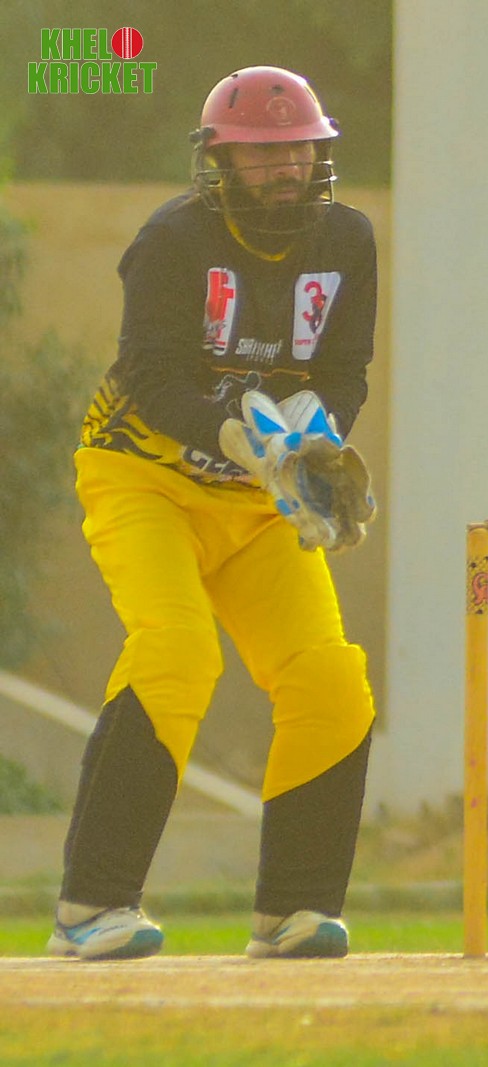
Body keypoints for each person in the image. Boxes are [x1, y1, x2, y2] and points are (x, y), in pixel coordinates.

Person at [48, 66, 379, 961]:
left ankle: (295, 910)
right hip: (145, 475)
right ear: (220, 163)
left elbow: (344, 371)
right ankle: (91, 905)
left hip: (258, 499)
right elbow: (150, 378)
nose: (285, 169)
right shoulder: (173, 241)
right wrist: (229, 433)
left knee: (329, 676)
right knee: (176, 649)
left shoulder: (347, 240)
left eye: (298, 150)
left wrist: (317, 446)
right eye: (262, 155)